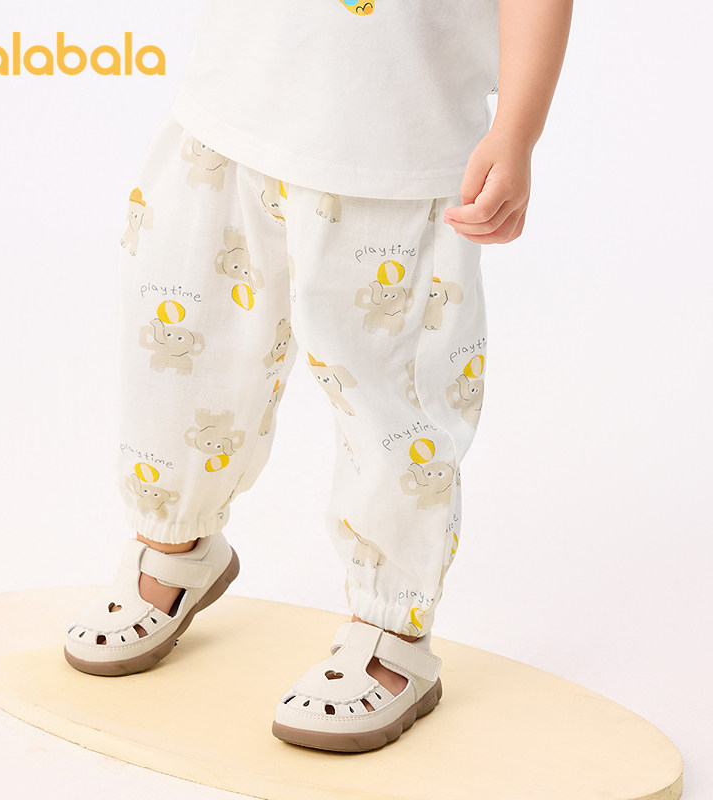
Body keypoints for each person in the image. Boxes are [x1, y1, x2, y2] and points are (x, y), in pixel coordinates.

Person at [64, 0, 573, 754]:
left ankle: (392, 628)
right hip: (230, 114)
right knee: (183, 350)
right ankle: (173, 543)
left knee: (393, 402)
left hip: (396, 149)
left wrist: (519, 130)